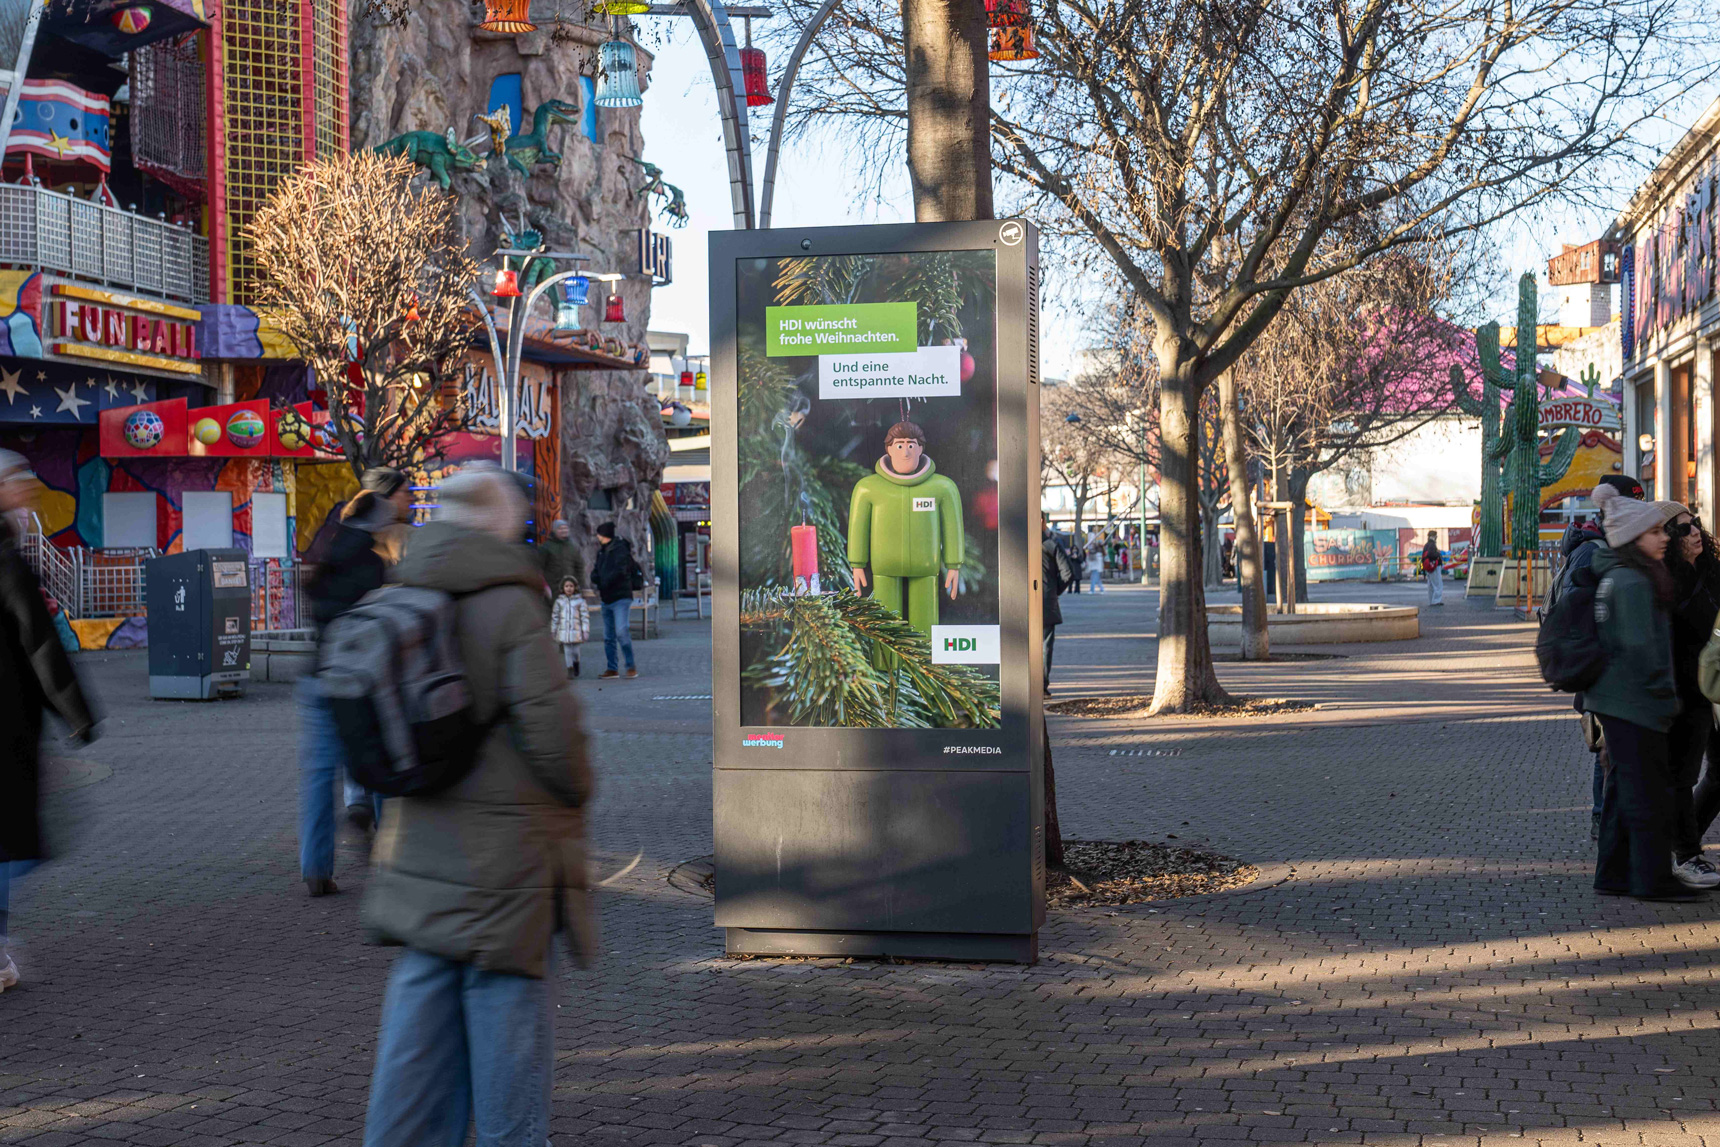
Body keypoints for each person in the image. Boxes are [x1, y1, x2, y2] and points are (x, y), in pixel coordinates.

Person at [361, 466, 592, 1146]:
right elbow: (556, 740)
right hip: (504, 866)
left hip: (416, 851)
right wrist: (578, 785)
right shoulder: (509, 601)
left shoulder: (406, 586)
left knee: (416, 1039)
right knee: (507, 1047)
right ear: (500, 522)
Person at [0, 451, 96, 993]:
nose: (30, 487)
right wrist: (77, 715)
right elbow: (39, 642)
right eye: (18, 480)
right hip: (7, 724)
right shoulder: (7, 557)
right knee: (17, 842)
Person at [299, 467, 409, 895]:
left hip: (317, 678)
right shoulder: (373, 563)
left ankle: (315, 869)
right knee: (382, 765)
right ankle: (390, 863)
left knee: (316, 776)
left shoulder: (328, 554)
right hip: (362, 680)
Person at [1583, 483, 1695, 901]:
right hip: (1633, 704)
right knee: (1648, 793)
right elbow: (1640, 651)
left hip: (1618, 702)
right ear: (1634, 538)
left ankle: (1613, 873)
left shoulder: (1618, 574)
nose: (1664, 537)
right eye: (1655, 532)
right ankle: (1652, 879)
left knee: (1624, 789)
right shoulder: (1631, 581)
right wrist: (1664, 698)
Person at [1550, 476, 1647, 841]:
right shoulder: (1593, 550)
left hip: (1605, 669)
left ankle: (1607, 819)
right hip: (1600, 670)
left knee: (1608, 747)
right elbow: (1581, 613)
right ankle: (1601, 818)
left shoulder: (1602, 544)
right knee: (1604, 747)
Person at [1661, 505, 1720, 887]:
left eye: (1696, 524)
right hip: (1687, 689)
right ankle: (1685, 852)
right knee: (1684, 773)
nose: (1695, 532)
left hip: (1714, 687)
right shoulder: (1665, 579)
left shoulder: (1713, 569)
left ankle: (1684, 844)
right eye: (1684, 529)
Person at [591, 521, 641, 679]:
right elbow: (596, 571)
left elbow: (620, 572)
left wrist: (604, 581)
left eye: (599, 534)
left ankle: (630, 665)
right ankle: (612, 668)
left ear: (604, 535)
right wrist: (596, 578)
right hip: (607, 598)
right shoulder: (602, 552)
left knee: (621, 631)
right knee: (608, 636)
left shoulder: (619, 550)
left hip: (620, 597)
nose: (597, 537)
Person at [1042, 517, 1077, 697]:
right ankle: (1041, 684)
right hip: (1046, 603)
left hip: (1021, 604)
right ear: (1041, 521)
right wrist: (1053, 592)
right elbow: (1068, 573)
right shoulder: (1051, 545)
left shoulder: (1018, 544)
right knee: (1045, 645)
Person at [550, 576, 590, 678]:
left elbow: (584, 617)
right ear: (563, 588)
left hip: (576, 632)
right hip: (564, 632)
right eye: (566, 586)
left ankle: (576, 663)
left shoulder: (580, 602)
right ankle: (570, 669)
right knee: (567, 651)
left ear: (575, 587)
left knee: (576, 652)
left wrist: (585, 630)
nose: (569, 588)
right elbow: (555, 617)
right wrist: (553, 630)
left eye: (571, 586)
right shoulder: (559, 602)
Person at [538, 517, 584, 597]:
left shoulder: (572, 546)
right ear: (554, 530)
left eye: (565, 528)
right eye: (560, 528)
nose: (563, 531)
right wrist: (544, 587)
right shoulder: (546, 547)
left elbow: (579, 566)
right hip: (553, 589)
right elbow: (539, 567)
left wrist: (580, 585)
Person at [1421, 532, 1444, 606]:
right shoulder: (1432, 545)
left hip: (1428, 567)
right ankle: (1436, 601)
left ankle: (1431, 600)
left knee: (1431, 585)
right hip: (1434, 566)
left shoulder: (1426, 545)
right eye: (1435, 536)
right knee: (1438, 584)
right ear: (1433, 537)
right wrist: (1438, 553)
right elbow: (1431, 554)